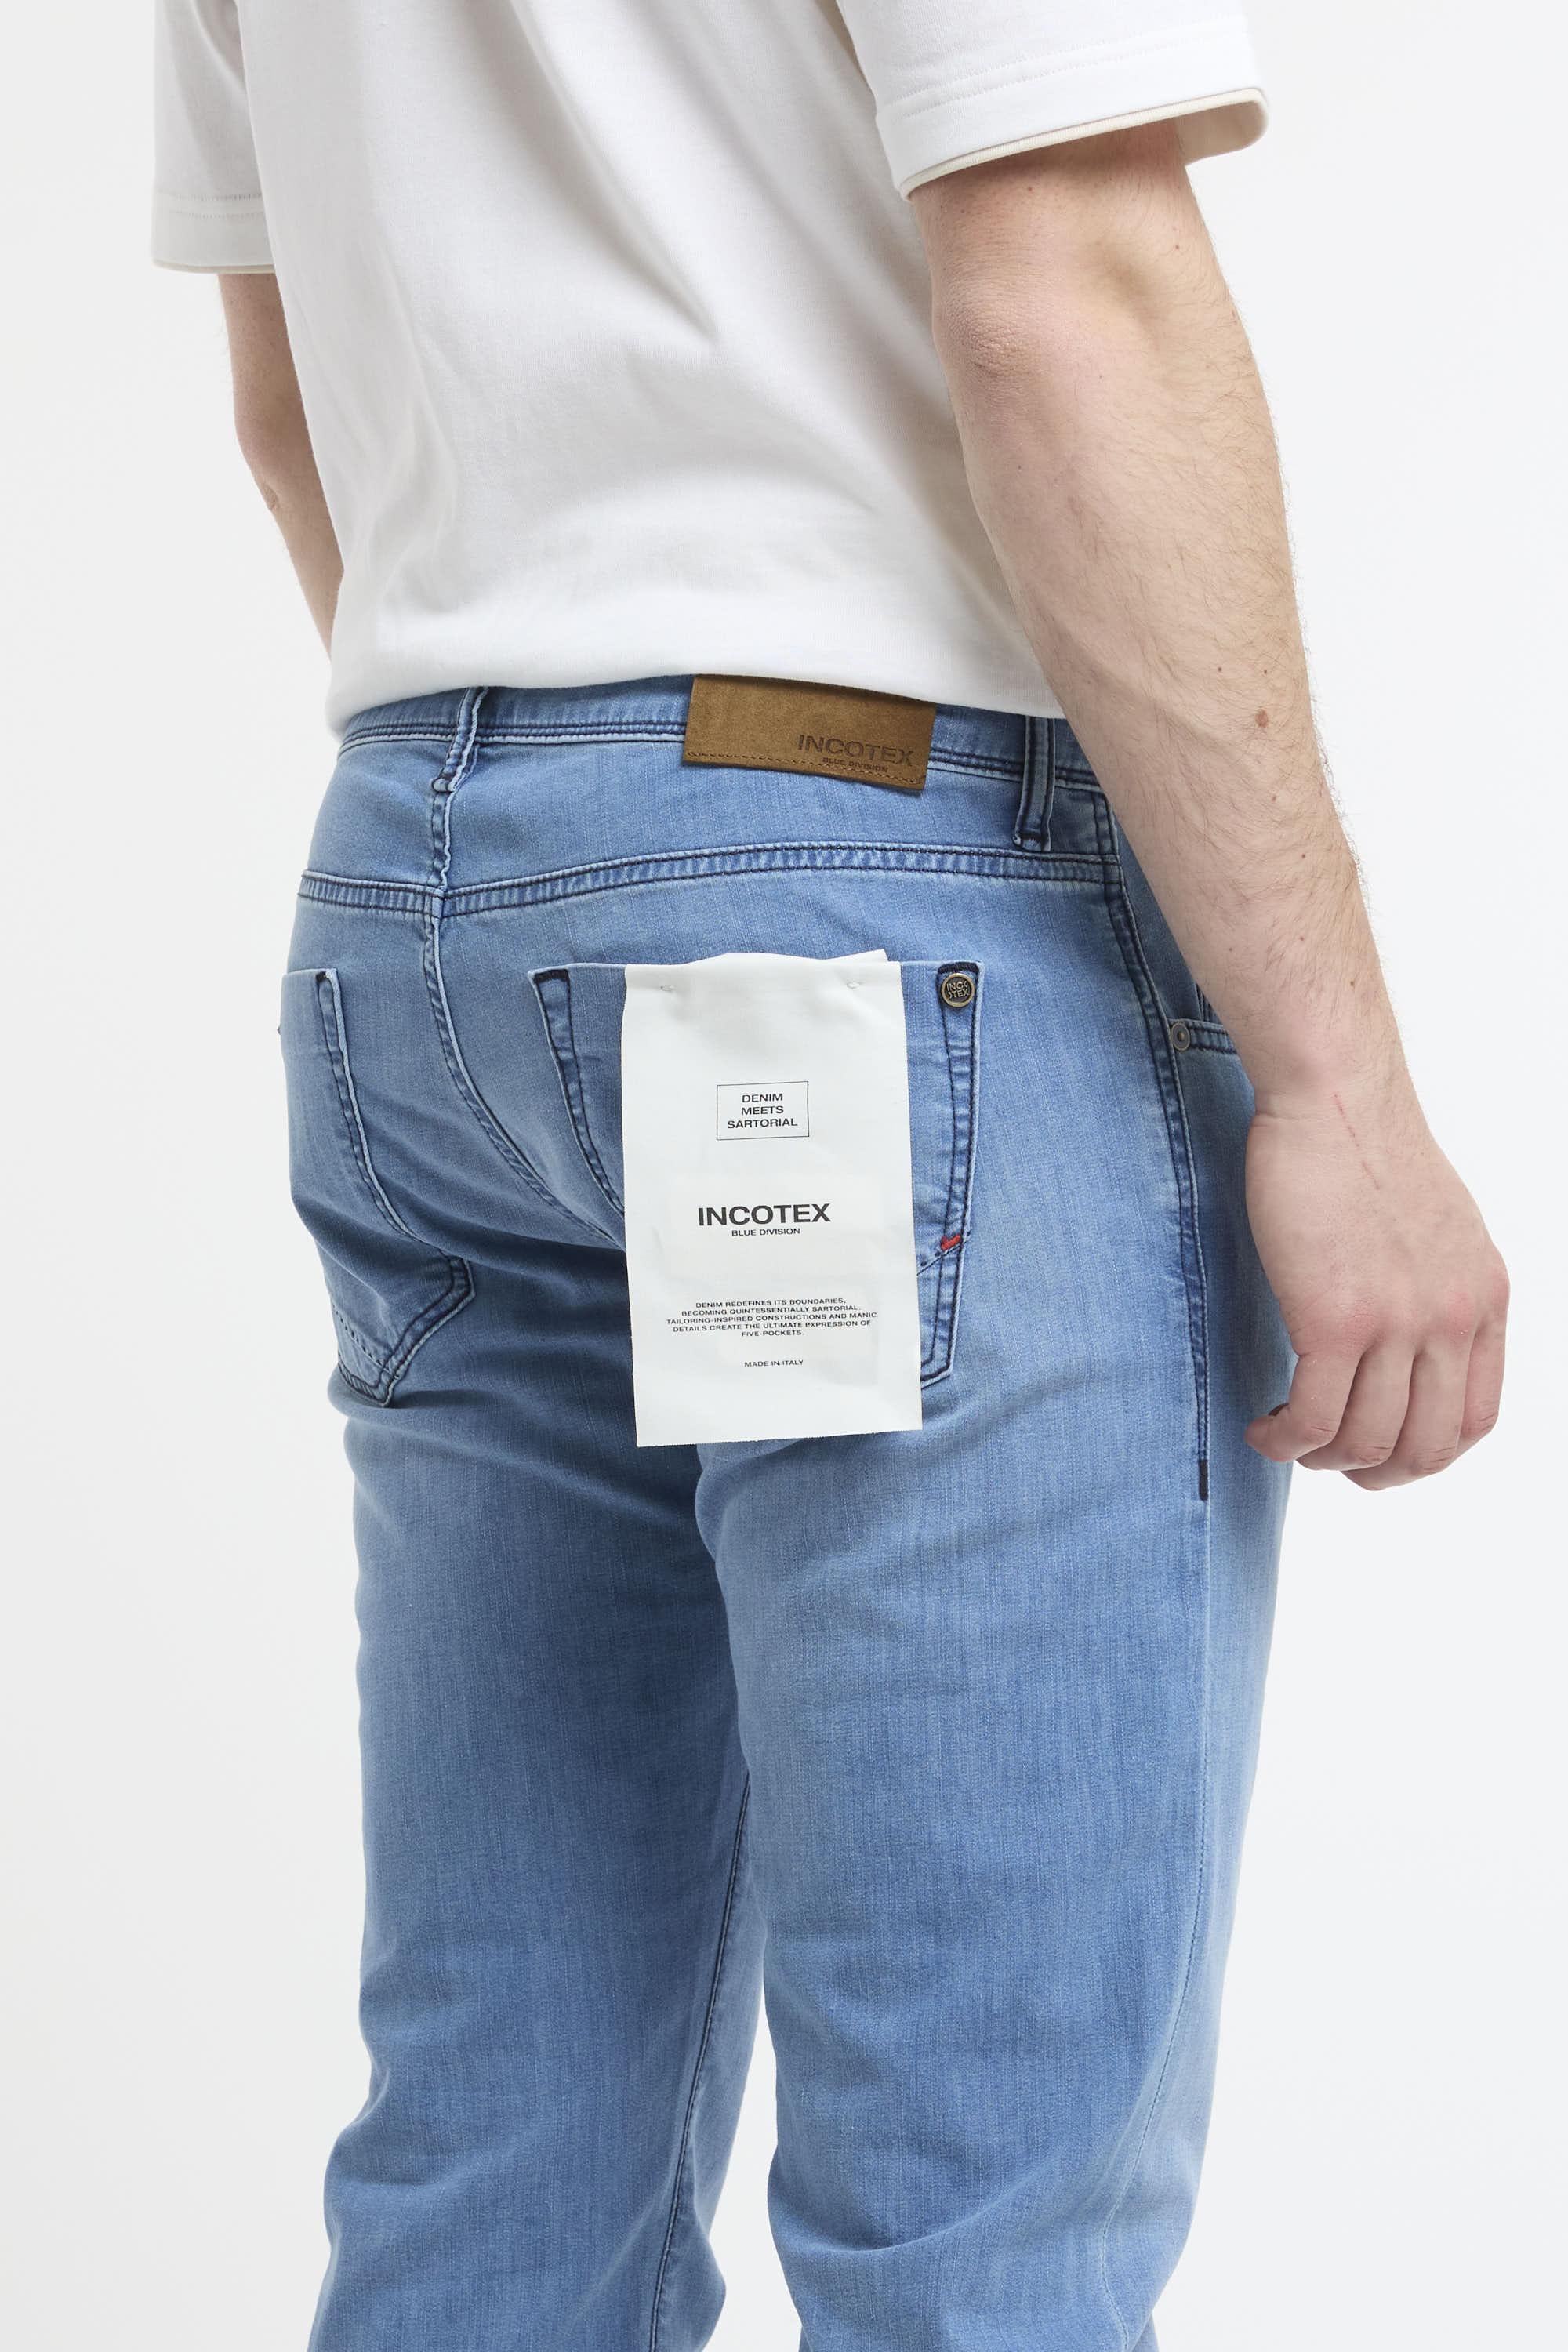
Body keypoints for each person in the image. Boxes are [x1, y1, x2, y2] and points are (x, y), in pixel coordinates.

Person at [153, 4, 1508, 2347]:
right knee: (982, 2215)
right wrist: (1341, 1085)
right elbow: (1063, 282)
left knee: (505, 2129)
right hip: (871, 882)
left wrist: (572, 830)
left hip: (424, 885)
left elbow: (289, 399)